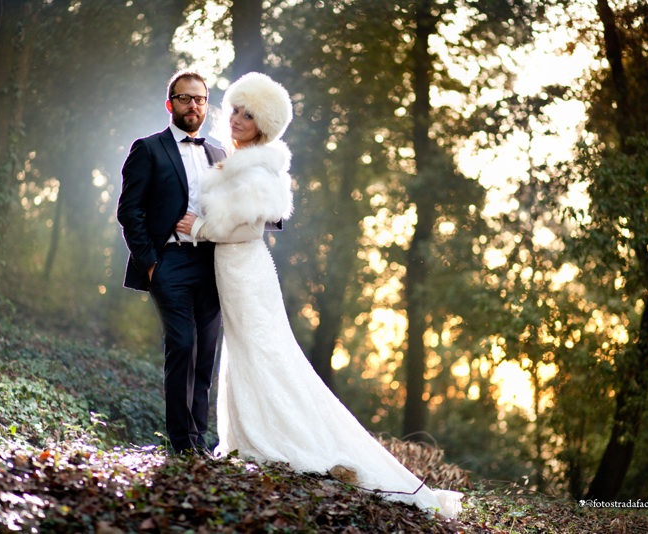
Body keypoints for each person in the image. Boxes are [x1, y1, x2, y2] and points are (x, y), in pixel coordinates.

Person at [174, 72, 462, 518]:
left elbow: (250, 226)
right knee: (245, 352)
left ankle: (274, 439)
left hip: (246, 271)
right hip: (230, 272)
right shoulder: (235, 157)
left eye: (249, 115)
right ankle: (241, 438)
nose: (236, 119)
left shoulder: (261, 164)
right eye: (234, 109)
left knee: (264, 353)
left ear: (264, 124)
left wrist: (200, 230)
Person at [116, 70, 225, 455]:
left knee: (206, 354)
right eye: (184, 98)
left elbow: (228, 212)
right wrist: (151, 264)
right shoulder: (148, 149)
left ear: (206, 106)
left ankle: (198, 440)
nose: (192, 105)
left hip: (214, 265)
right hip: (170, 263)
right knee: (182, 345)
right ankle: (182, 445)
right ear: (170, 104)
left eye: (199, 99)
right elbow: (130, 212)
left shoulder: (220, 155)